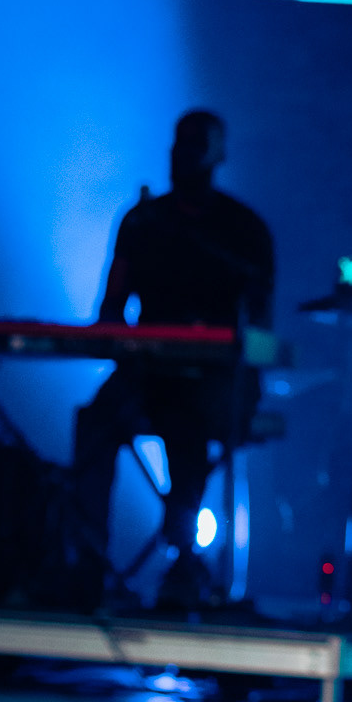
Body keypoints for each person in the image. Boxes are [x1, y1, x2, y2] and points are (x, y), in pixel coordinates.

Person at [73, 109, 275, 611]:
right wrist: (124, 343)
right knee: (96, 422)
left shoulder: (243, 230)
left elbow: (259, 331)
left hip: (214, 379)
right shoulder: (143, 222)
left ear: (216, 156)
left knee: (188, 427)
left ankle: (183, 562)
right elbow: (110, 310)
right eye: (179, 146)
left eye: (195, 148)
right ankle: (87, 560)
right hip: (146, 374)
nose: (182, 158)